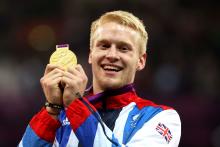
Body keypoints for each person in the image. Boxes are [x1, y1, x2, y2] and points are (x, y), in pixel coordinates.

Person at [19, 10, 181, 147]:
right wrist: (52, 110)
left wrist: (76, 104)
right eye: (104, 46)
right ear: (91, 54)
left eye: (123, 48)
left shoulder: (161, 118)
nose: (111, 55)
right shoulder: (59, 114)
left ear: (141, 61)